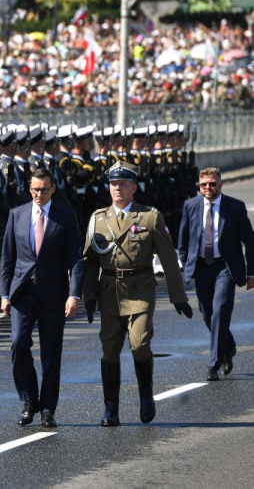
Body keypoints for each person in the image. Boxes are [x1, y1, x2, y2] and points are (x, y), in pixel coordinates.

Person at [83, 161, 193, 427]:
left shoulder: (149, 217)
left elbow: (168, 258)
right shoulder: (98, 219)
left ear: (134, 187)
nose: (117, 188)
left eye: (122, 184)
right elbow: (88, 261)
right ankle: (111, 407)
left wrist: (178, 295)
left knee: (140, 344)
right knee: (109, 351)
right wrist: (88, 296)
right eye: (113, 184)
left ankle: (146, 395)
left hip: (140, 291)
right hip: (110, 292)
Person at [0, 168, 83, 428]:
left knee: (50, 353)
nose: (39, 194)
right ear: (29, 188)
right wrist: (4, 294)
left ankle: (47, 408)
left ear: (53, 189)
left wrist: (73, 295)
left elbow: (76, 261)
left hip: (54, 294)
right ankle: (28, 400)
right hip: (23, 293)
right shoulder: (17, 215)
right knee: (18, 343)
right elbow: (7, 258)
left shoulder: (65, 216)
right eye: (35, 189)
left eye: (44, 189)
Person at [178, 167, 254, 381]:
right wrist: (186, 264)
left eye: (212, 183)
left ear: (220, 184)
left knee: (220, 311)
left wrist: (251, 273)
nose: (208, 188)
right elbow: (183, 238)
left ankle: (214, 363)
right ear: (199, 186)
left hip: (225, 267)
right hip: (202, 266)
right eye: (204, 184)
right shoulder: (190, 205)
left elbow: (250, 241)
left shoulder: (235, 207)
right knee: (207, 314)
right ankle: (228, 347)